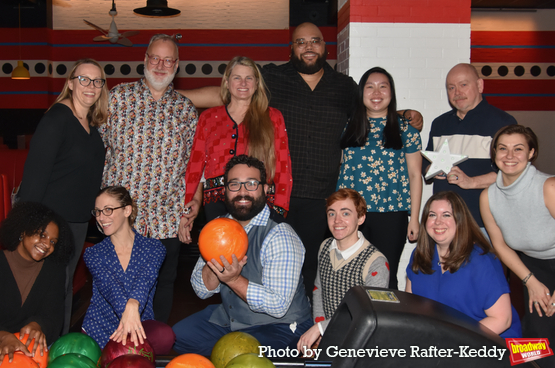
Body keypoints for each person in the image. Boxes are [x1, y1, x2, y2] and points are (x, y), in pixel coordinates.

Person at [180, 22, 423, 298]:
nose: (308, 47)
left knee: (311, 265)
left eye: (315, 41)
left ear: (325, 47)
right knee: (262, 263)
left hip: (322, 196)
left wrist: (403, 113)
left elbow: (372, 107)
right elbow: (233, 93)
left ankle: (305, 326)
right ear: (291, 49)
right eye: (301, 42)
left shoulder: (344, 87)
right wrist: (175, 96)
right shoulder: (272, 77)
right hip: (278, 196)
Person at [101, 34, 198, 323]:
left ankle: (154, 344)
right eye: (155, 58)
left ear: (177, 65)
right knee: (117, 284)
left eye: (168, 60)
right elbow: (95, 148)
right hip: (122, 216)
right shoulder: (117, 98)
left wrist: (191, 207)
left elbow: (194, 167)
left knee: (162, 284)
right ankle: (115, 346)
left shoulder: (186, 110)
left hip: (167, 217)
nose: (160, 65)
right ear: (144, 60)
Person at [172, 155, 312, 356]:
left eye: (251, 184)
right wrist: (214, 263)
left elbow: (278, 306)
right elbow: (202, 290)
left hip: (280, 325)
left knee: (239, 356)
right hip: (232, 318)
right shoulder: (217, 228)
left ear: (265, 190)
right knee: (178, 337)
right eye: (234, 184)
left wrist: (234, 280)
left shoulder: (280, 234)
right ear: (225, 191)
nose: (242, 191)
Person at [17, 58, 108, 333]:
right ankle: (36, 349)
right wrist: (30, 226)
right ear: (70, 83)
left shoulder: (89, 123)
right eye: (84, 79)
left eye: (97, 81)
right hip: (51, 221)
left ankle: (58, 346)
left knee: (62, 287)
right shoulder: (57, 118)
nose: (91, 86)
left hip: (77, 221)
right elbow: (34, 178)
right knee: (46, 289)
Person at [182, 56, 292, 235]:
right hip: (216, 202)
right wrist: (188, 206)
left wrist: (280, 208)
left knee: (255, 257)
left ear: (257, 83)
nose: (243, 83)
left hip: (256, 201)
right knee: (220, 256)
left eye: (249, 78)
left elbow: (282, 165)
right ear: (226, 82)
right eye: (237, 77)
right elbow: (195, 165)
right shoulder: (208, 117)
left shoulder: (272, 117)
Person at [0, 202, 74, 366]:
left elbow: (53, 316)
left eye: (53, 242)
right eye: (42, 235)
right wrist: (5, 337)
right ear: (23, 231)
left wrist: (38, 325)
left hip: (26, 344)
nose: (47, 245)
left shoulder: (54, 271)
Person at [337, 67, 422, 289]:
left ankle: (387, 323)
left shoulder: (407, 131)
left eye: (383, 86)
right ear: (361, 93)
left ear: (391, 93)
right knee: (353, 275)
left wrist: (414, 218)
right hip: (354, 214)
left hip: (392, 214)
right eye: (370, 87)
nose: (376, 92)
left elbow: (415, 175)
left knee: (385, 275)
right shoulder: (348, 127)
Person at [480, 124, 555, 364]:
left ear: (531, 153)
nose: (509, 156)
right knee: (536, 341)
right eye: (502, 149)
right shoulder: (488, 197)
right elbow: (501, 246)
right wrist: (530, 281)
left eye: (518, 149)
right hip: (532, 267)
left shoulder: (549, 187)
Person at [406, 191, 521, 339]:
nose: (438, 221)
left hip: (486, 342)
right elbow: (410, 306)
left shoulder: (482, 260)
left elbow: (502, 320)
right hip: (440, 339)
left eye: (446, 215)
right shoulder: (420, 255)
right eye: (432, 215)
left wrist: (453, 342)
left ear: (460, 220)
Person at [82, 186, 174, 354]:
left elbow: (145, 279)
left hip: (139, 326)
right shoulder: (93, 253)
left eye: (108, 210)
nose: (101, 218)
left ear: (127, 210)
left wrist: (133, 305)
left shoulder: (154, 248)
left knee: (165, 336)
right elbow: (111, 287)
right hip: (100, 328)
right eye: (98, 212)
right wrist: (128, 307)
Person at [424, 63, 516, 230]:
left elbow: (512, 173)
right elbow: (425, 166)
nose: (457, 92)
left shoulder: (503, 123)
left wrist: (472, 182)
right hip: (444, 225)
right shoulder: (439, 124)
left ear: (480, 85)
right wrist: (431, 169)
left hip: (484, 224)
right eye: (451, 87)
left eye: (463, 85)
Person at [297, 188, 389, 352]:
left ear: (361, 218)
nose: (337, 220)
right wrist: (320, 329)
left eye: (345, 213)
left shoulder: (376, 262)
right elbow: (319, 290)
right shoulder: (325, 247)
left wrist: (321, 328)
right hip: (329, 335)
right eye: (332, 214)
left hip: (361, 341)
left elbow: (369, 314)